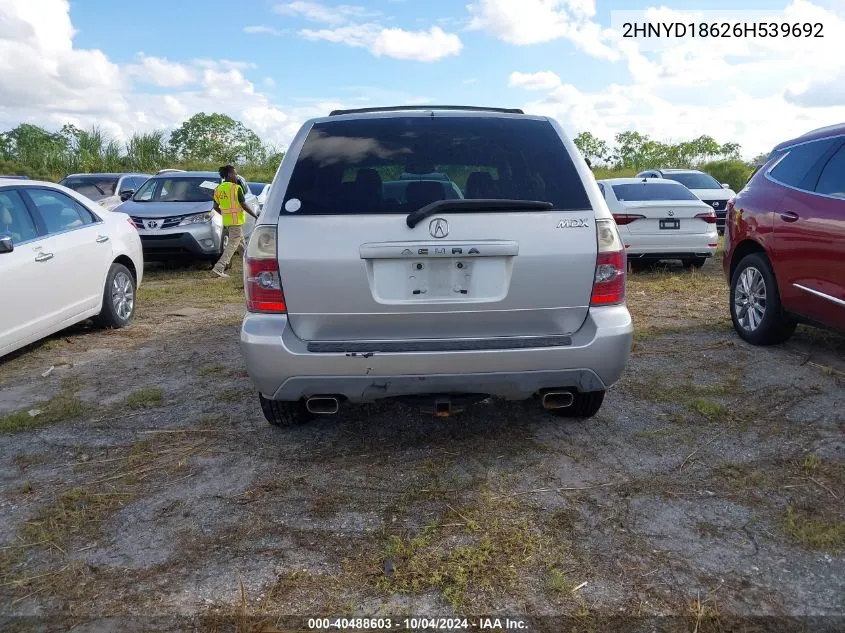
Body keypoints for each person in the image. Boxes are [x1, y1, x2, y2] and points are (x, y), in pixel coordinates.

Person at [211, 164, 258, 278]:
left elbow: (215, 206)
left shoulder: (218, 189)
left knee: (242, 245)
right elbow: (244, 205)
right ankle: (219, 267)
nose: (236, 176)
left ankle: (250, 267)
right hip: (236, 221)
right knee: (232, 245)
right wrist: (255, 215)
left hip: (228, 221)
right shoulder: (236, 188)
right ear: (229, 175)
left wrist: (225, 214)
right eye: (235, 174)